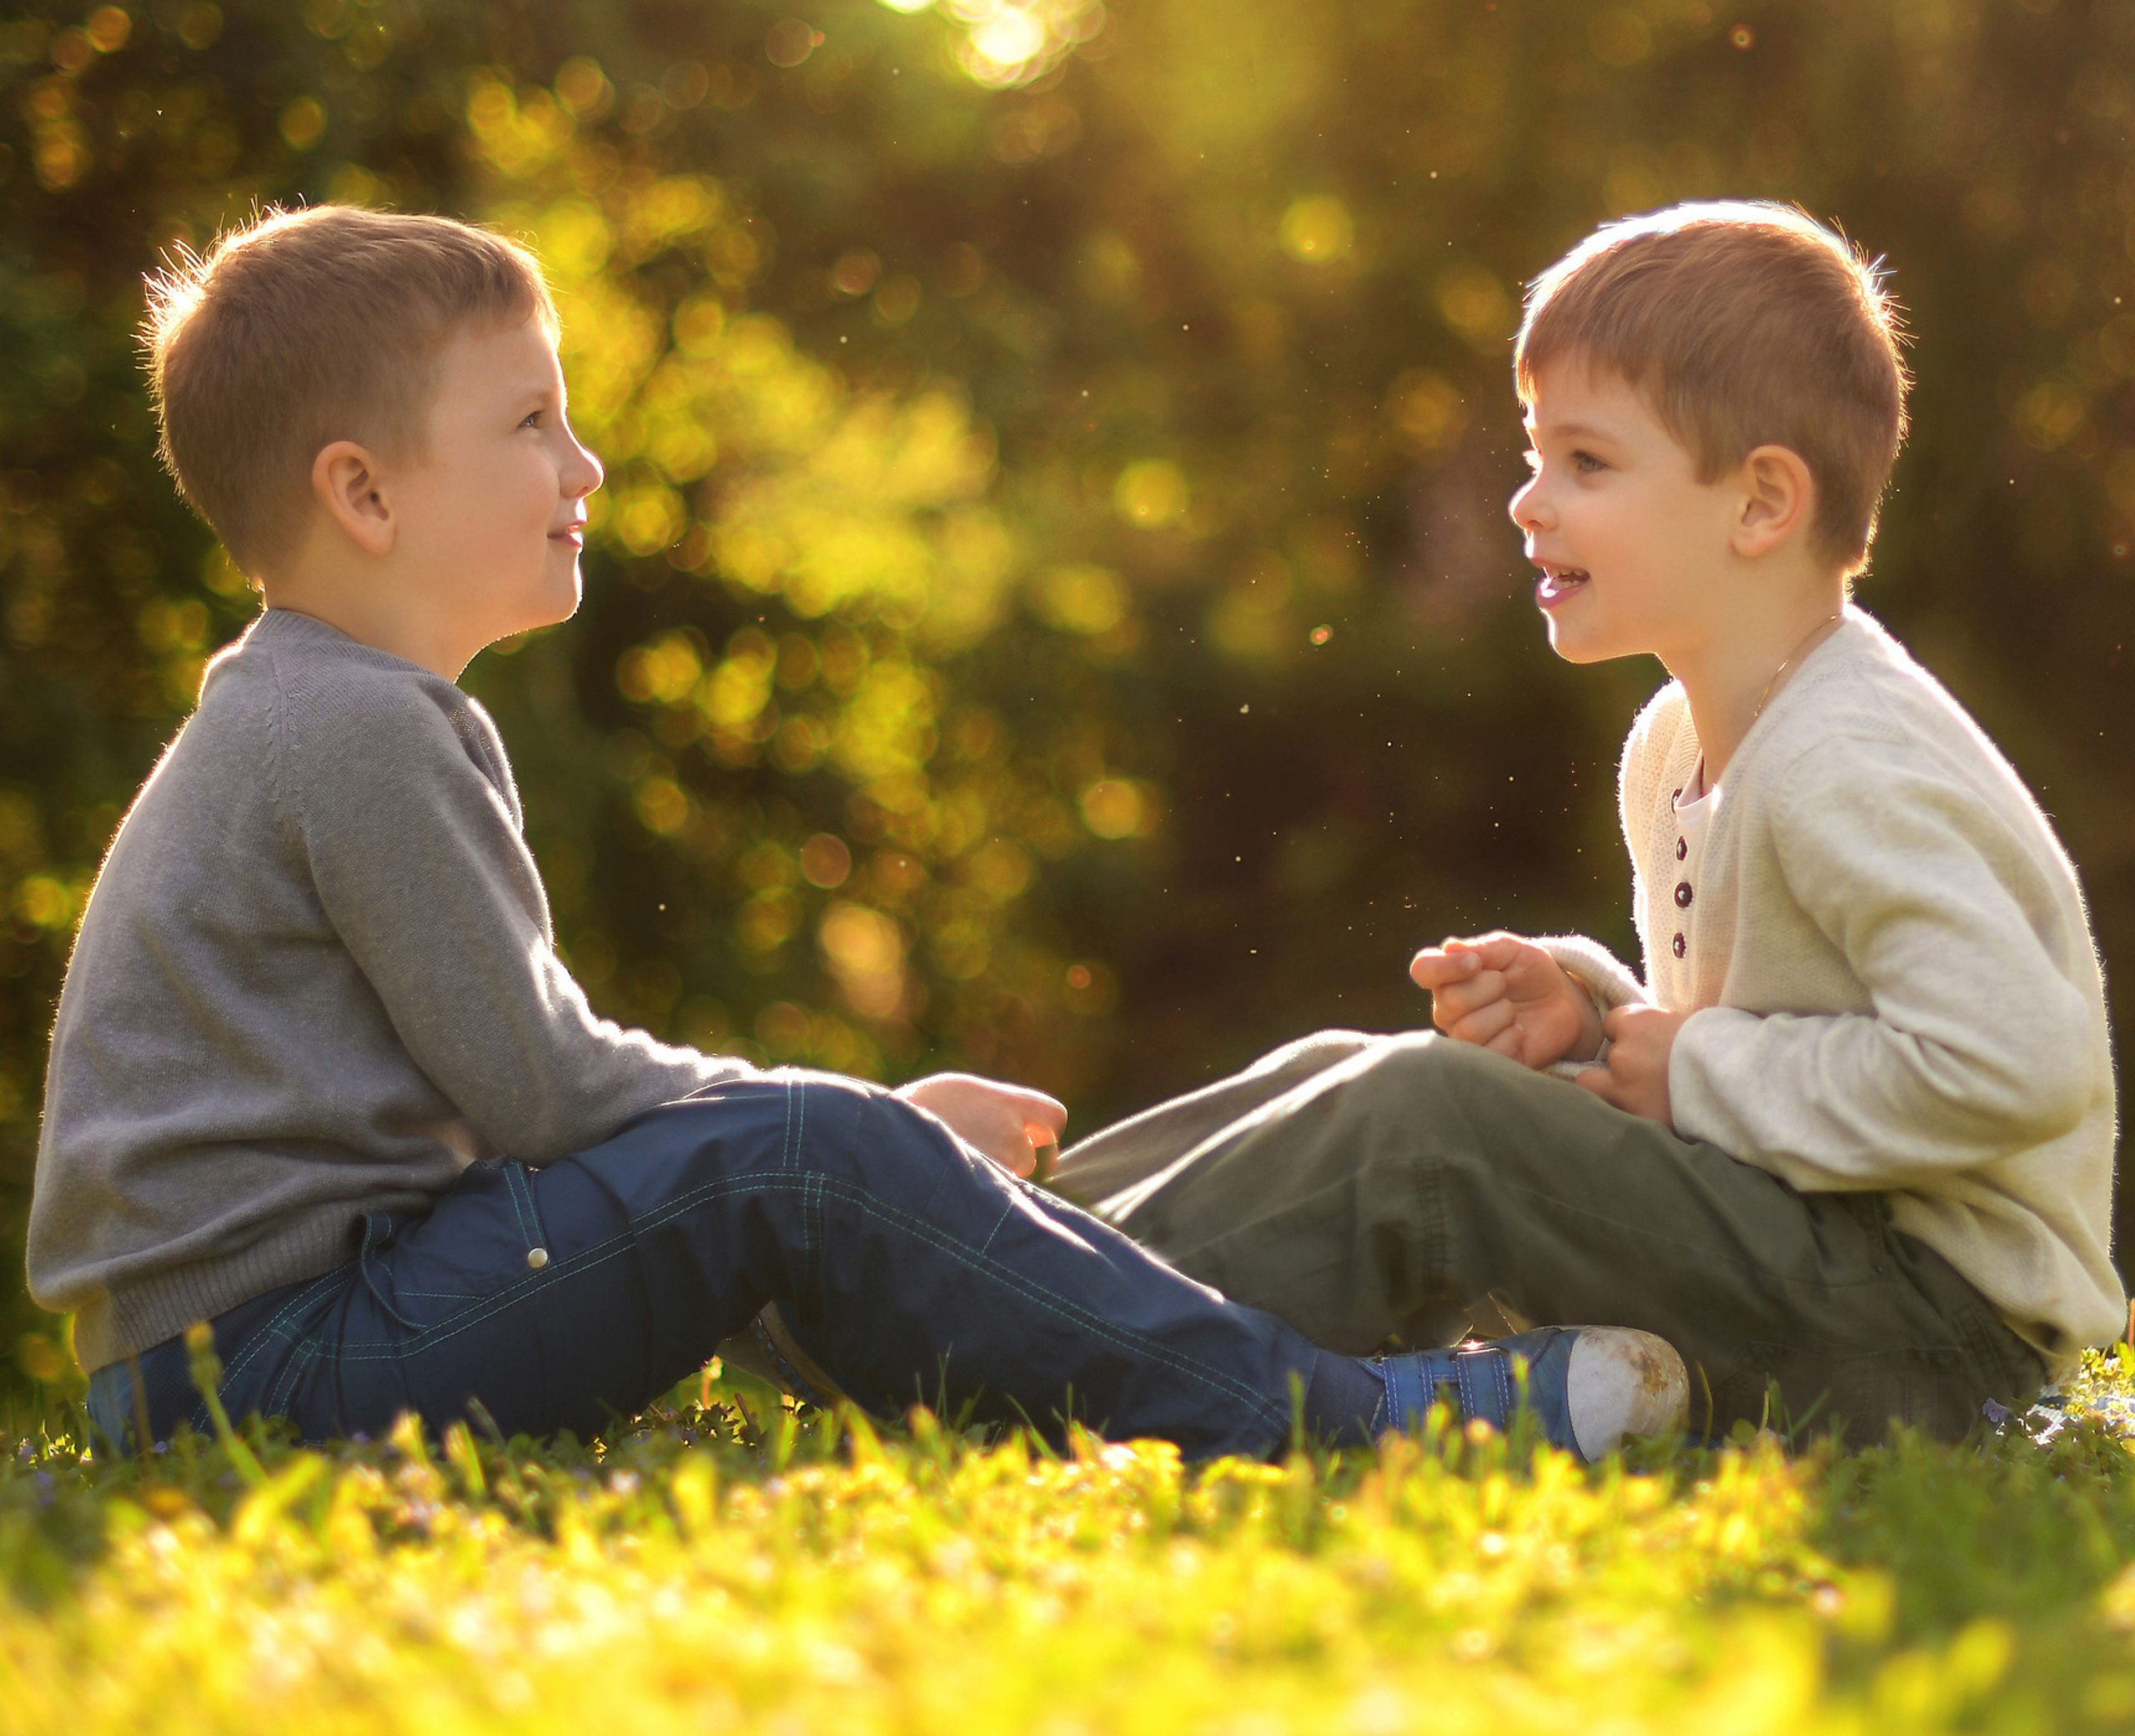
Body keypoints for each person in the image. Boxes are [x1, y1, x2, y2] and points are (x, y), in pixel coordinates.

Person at [28, 204, 1685, 1464]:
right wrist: (856, 1129)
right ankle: (1355, 1417)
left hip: (259, 1356)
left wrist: (860, 1147)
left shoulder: (326, 707)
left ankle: (1140, 1310)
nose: (584, 462)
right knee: (801, 1153)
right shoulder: (354, 724)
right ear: (363, 494)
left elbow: (548, 1122)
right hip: (275, 1373)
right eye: (529, 423)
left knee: (815, 1155)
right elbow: (548, 1095)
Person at [1054, 201, 2121, 1444]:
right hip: (1820, 1257)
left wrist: (1695, 1071)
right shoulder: (1676, 739)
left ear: (1761, 503)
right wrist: (1600, 1020)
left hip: (1937, 1339)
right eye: (1536, 456)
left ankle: (1013, 1316)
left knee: (1431, 1121)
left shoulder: (1847, 758)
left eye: (1588, 464)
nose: (1529, 503)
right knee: (1352, 1073)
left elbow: (2012, 1065)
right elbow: (1761, 1040)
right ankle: (994, 1221)